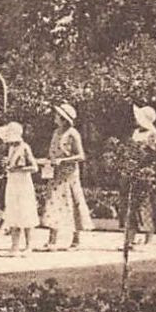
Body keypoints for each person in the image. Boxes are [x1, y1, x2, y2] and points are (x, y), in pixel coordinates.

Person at [41, 102, 94, 250]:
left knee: (73, 204)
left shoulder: (73, 133)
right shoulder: (56, 132)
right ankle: (52, 240)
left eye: (57, 116)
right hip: (55, 174)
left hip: (69, 174)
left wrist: (63, 160)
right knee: (53, 203)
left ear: (64, 119)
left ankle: (76, 240)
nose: (55, 118)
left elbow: (81, 155)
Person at [121, 104, 156, 251]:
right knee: (132, 207)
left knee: (147, 206)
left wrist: (155, 160)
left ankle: (148, 239)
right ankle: (129, 240)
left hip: (147, 174)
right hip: (133, 173)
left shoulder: (153, 135)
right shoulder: (136, 132)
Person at [0, 121, 38, 256]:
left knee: (26, 213)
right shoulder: (10, 149)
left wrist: (18, 169)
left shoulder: (25, 147)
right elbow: (10, 167)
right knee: (14, 213)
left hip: (24, 184)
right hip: (13, 183)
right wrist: (7, 165)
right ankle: (14, 246)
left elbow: (34, 167)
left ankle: (29, 246)